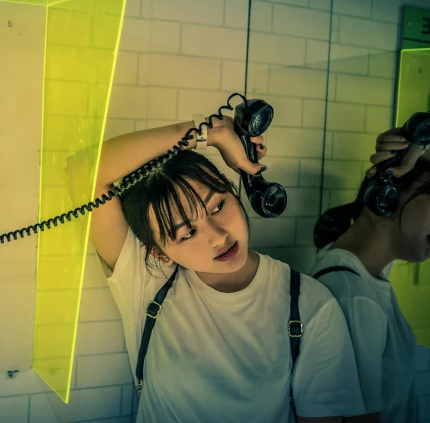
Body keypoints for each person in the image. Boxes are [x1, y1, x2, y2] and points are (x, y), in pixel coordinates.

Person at [67, 110, 366, 422]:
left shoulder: (310, 305)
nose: (218, 236)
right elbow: (82, 172)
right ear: (158, 252)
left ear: (231, 187)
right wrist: (209, 135)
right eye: (187, 233)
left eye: (219, 206)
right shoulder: (148, 281)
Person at [312, 129, 430, 423]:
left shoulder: (361, 265)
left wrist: (415, 145)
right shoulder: (356, 298)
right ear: (389, 192)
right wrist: (412, 147)